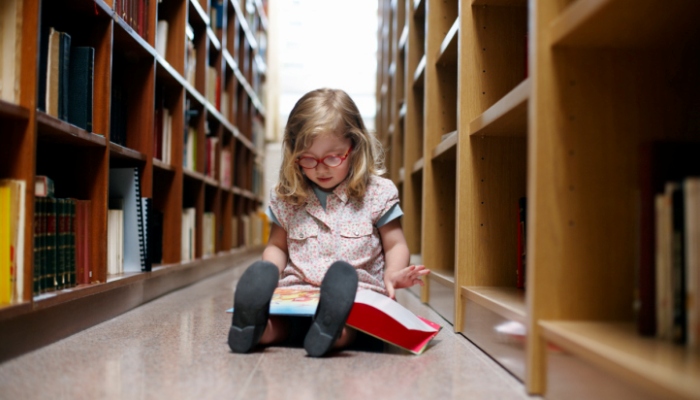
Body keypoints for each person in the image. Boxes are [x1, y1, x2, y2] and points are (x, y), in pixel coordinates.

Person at [228, 88, 430, 357]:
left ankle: (329, 331)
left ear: (355, 147)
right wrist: (271, 271)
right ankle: (254, 327)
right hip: (298, 292)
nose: (321, 168)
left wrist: (392, 273)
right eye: (308, 159)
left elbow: (395, 245)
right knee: (279, 323)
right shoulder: (287, 197)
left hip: (356, 293)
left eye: (333, 157)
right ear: (293, 155)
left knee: (350, 321)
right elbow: (277, 246)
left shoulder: (378, 193)